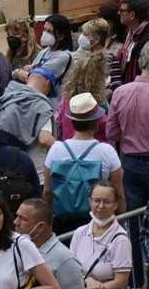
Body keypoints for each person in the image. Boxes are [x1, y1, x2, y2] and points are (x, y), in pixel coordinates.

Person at [43, 92, 123, 236]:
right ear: (97, 122)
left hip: (62, 222)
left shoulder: (56, 149)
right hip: (98, 222)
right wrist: (122, 223)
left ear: (72, 121)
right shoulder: (107, 152)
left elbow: (48, 192)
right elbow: (119, 194)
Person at [110, 58, 149, 279]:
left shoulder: (121, 92)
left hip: (131, 162)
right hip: (133, 161)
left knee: (133, 223)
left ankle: (136, 283)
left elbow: (113, 133)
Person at [0, 66, 57, 179]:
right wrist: (65, 151)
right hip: (21, 169)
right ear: (47, 84)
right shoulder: (42, 105)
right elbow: (45, 139)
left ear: (27, 79)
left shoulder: (8, 94)